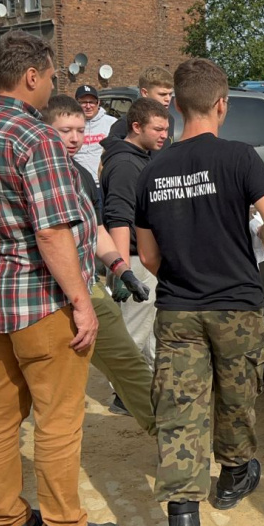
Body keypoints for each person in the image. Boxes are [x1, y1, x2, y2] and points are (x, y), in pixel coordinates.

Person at [0, 30, 116, 526]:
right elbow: (51, 232)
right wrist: (82, 302)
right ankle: (65, 525)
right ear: (30, 76)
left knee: (0, 414)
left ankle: (5, 518)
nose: (50, 87)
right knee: (58, 423)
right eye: (48, 78)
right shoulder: (34, 137)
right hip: (44, 303)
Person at [134, 58, 264, 526]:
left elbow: (149, 256)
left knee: (181, 408)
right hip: (236, 305)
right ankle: (234, 476)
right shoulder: (240, 157)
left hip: (179, 308)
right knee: (236, 397)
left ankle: (183, 513)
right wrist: (254, 239)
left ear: (177, 105)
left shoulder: (152, 169)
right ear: (221, 105)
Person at [42, 95, 157, 433]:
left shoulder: (80, 173)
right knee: (54, 388)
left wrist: (121, 269)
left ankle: (169, 435)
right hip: (48, 293)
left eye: (80, 129)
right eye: (65, 130)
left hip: (89, 284)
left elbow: (97, 228)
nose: (75, 138)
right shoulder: (37, 172)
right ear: (46, 130)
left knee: (129, 362)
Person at [102, 98, 171, 370]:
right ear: (136, 126)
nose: (164, 135)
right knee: (132, 335)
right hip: (133, 260)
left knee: (150, 335)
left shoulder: (139, 158)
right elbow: (118, 217)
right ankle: (123, 394)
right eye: (157, 129)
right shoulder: (125, 164)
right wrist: (123, 272)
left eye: (166, 129)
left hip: (141, 259)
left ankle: (145, 390)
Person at [108, 66, 175, 149]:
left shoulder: (169, 119)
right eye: (162, 94)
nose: (168, 99)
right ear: (145, 93)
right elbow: (108, 158)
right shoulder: (124, 124)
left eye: (170, 94)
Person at [74, 84, 117, 185]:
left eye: (92, 102)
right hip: (78, 183)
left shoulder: (111, 123)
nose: (88, 106)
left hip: (102, 182)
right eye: (83, 102)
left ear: (98, 103)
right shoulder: (71, 124)